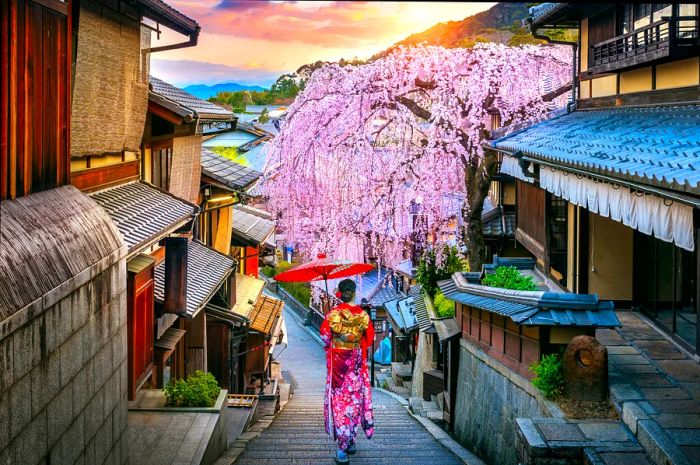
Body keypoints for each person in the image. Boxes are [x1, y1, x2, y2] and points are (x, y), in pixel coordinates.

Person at [320, 279, 375, 464]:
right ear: (354, 293)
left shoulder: (332, 315)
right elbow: (369, 338)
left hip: (338, 364)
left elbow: (326, 338)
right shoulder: (363, 315)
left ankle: (343, 450)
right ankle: (350, 440)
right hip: (356, 362)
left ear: (341, 293)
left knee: (340, 403)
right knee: (354, 400)